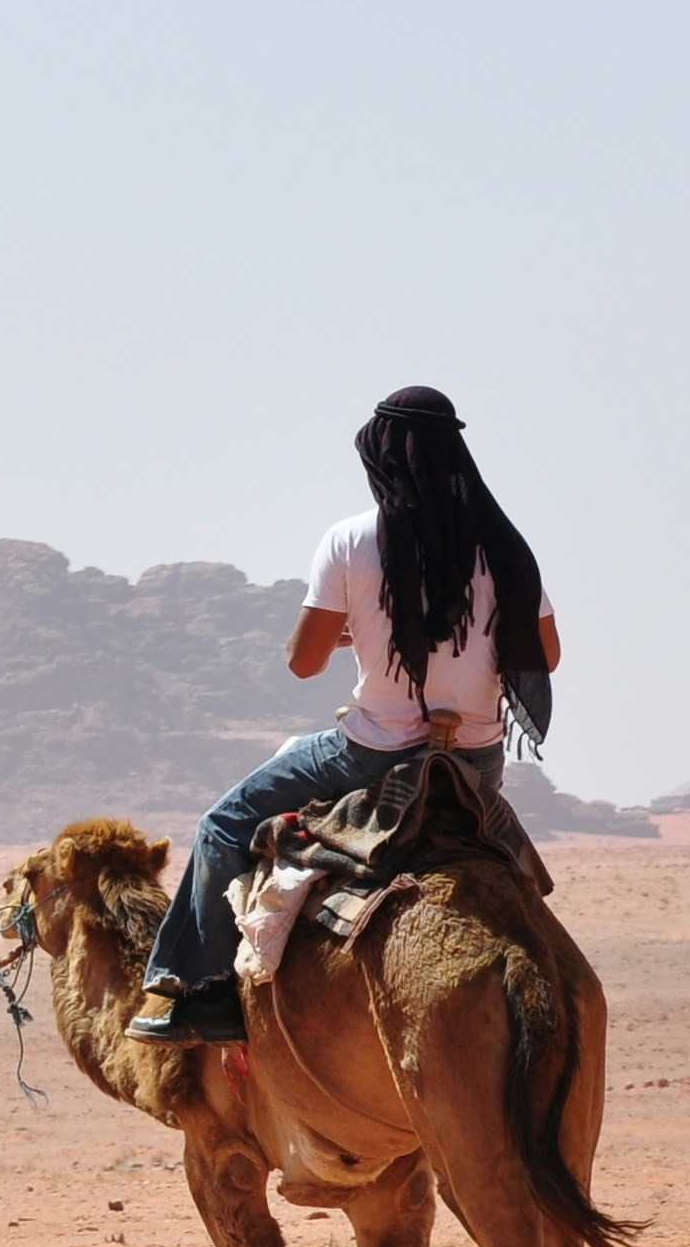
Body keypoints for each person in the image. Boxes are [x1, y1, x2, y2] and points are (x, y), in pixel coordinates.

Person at [128, 385, 560, 1044]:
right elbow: (545, 657)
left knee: (221, 825)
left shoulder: (352, 539)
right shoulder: (505, 546)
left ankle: (204, 990)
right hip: (474, 763)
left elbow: (302, 661)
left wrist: (362, 629)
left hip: (372, 755)